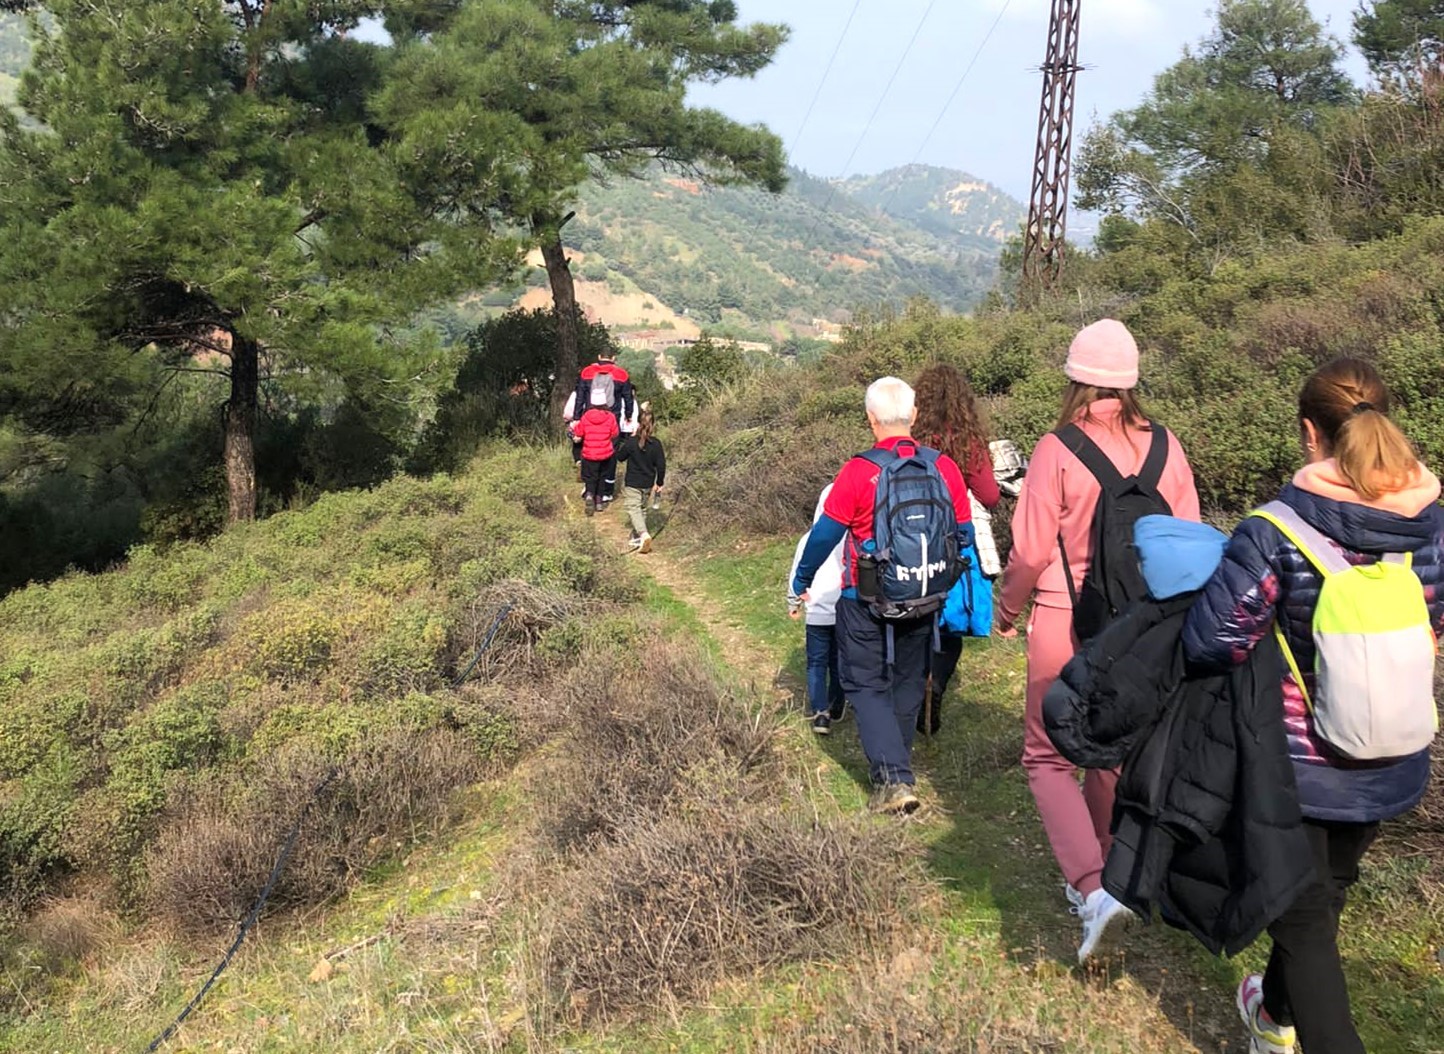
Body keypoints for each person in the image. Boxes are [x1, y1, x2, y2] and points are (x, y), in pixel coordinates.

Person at [1183, 358, 1443, 1054]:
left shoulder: (1279, 528)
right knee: (1325, 896)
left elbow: (1214, 639)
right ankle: (1270, 1013)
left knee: (1302, 921)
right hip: (1394, 747)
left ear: (1309, 433)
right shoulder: (1431, 524)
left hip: (1301, 763)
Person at [997, 319, 1200, 961]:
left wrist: (1008, 607)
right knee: (1113, 752)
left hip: (1064, 614)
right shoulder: (1167, 447)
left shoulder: (1057, 449)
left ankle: (1090, 889)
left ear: (1075, 378)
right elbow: (1189, 543)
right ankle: (1113, 874)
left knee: (1047, 755)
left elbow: (1030, 550)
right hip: (1142, 627)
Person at [791, 377, 974, 815]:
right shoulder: (943, 467)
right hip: (926, 594)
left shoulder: (858, 471)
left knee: (862, 681)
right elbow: (963, 533)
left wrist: (802, 578)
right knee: (909, 680)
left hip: (864, 595)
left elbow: (825, 535)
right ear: (912, 416)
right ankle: (895, 767)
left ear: (871, 418)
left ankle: (894, 779)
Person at [912, 363, 1002, 733]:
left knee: (916, 615)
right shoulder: (968, 440)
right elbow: (990, 495)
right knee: (949, 625)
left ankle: (914, 687)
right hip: (957, 541)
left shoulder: (912, 439)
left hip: (914, 539)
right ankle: (936, 687)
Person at [787, 484, 848, 735]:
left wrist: (793, 602)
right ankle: (836, 704)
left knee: (815, 663)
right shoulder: (851, 537)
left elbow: (797, 571)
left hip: (817, 610)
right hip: (845, 610)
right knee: (839, 661)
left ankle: (820, 714)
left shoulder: (809, 539)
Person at [572, 349, 637, 502]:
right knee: (610, 455)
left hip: (589, 418)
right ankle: (606, 492)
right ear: (613, 358)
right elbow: (628, 398)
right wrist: (628, 416)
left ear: (599, 357)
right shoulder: (621, 374)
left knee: (589, 452)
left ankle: (589, 488)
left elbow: (579, 397)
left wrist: (576, 417)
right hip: (611, 419)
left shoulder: (587, 372)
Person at [616, 405, 666, 553]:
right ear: (654, 425)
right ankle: (637, 536)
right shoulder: (656, 444)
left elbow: (620, 457)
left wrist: (627, 440)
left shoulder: (632, 442)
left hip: (633, 482)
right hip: (648, 482)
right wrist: (660, 482)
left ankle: (643, 535)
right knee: (642, 509)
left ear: (638, 423)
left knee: (633, 508)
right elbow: (661, 465)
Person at [572, 401, 619, 516]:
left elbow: (579, 432)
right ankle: (599, 502)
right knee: (602, 477)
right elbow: (615, 433)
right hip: (605, 452)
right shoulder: (610, 416)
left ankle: (589, 495)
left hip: (589, 453)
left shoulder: (586, 416)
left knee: (590, 477)